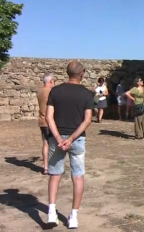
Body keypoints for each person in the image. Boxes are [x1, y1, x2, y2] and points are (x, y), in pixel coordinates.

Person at [45, 61, 94, 229]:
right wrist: (71, 138)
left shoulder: (55, 91)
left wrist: (59, 138)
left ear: (67, 73)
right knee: (78, 176)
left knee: (55, 174)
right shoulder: (87, 94)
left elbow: (48, 117)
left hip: (56, 139)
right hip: (77, 139)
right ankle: (74, 215)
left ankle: (51, 212)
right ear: (82, 74)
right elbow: (87, 120)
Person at [36, 72, 55, 175]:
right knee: (53, 144)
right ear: (50, 81)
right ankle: (52, 166)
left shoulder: (39, 91)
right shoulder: (51, 92)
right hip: (50, 121)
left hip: (42, 121)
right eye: (54, 81)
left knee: (45, 144)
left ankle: (46, 167)